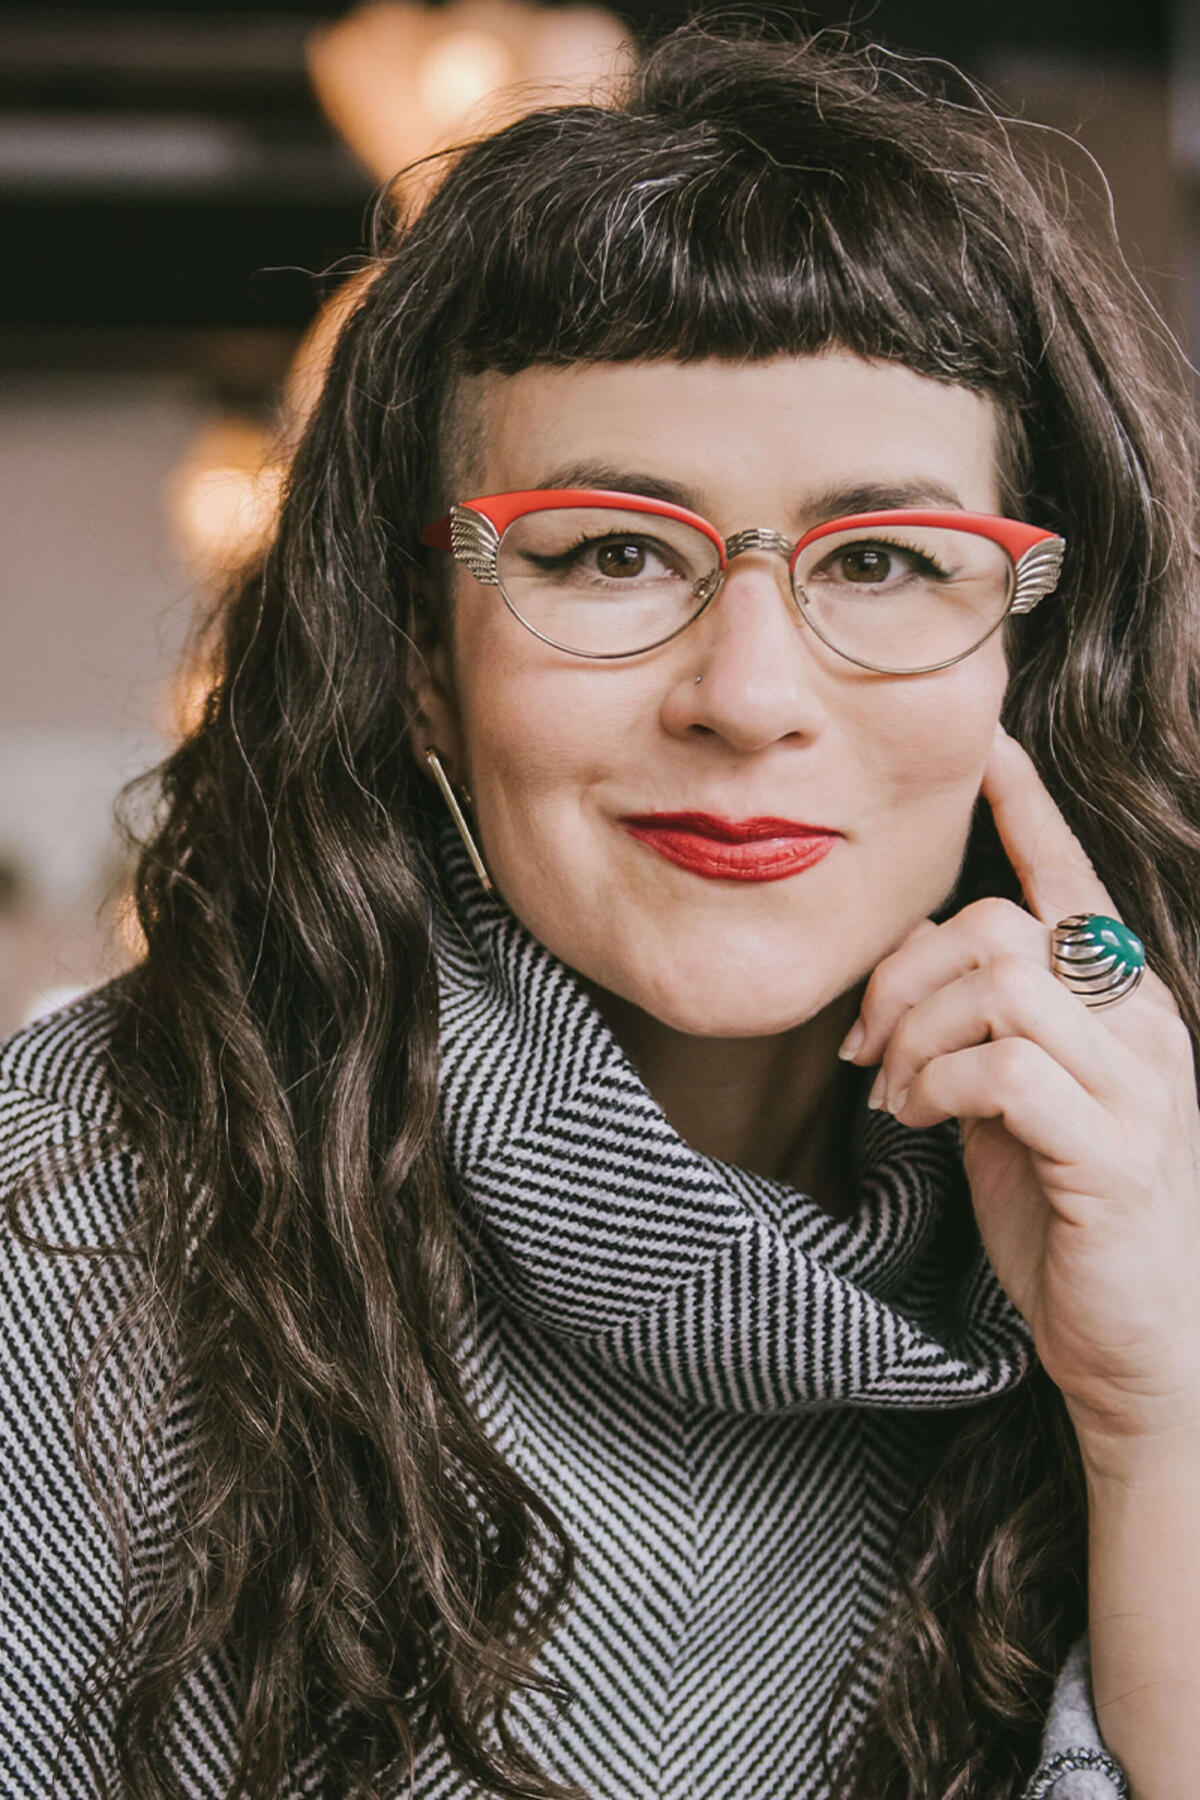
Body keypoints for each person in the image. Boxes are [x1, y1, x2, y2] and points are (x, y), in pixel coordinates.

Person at [3, 18, 1200, 1800]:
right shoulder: (63, 1215)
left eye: (882, 562)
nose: (747, 693)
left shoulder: (1157, 1209)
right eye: (609, 550)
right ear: (419, 658)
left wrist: (1158, 1404)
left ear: (1026, 661)